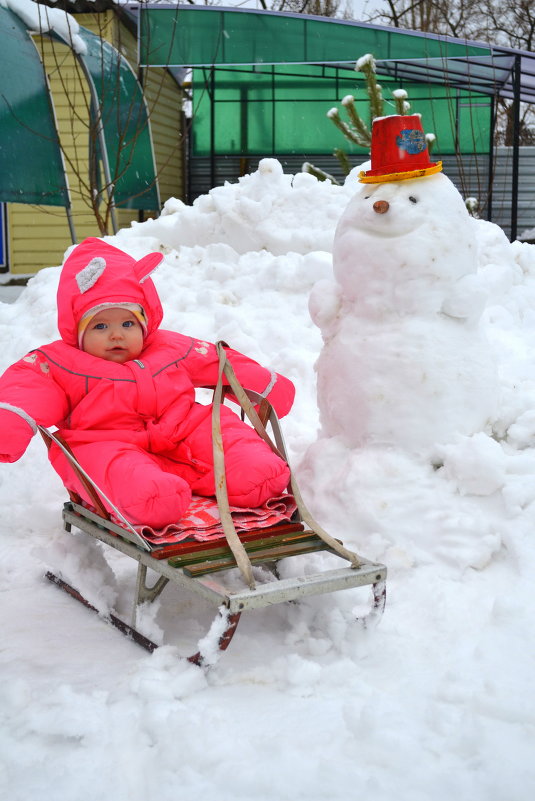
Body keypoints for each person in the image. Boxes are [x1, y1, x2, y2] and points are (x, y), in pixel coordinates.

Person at [0, 238, 294, 529]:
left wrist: (266, 386)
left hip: (183, 430)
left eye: (128, 324)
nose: (116, 335)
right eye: (100, 326)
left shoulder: (168, 346)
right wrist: (8, 425)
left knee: (230, 439)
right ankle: (153, 496)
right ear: (76, 329)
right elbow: (26, 388)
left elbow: (220, 363)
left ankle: (244, 474)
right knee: (111, 469)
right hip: (108, 442)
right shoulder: (59, 361)